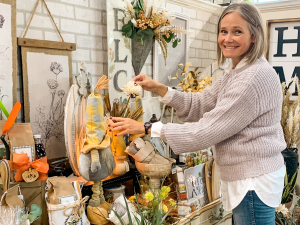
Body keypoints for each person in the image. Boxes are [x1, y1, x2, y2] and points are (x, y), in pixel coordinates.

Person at [109, 3, 286, 224]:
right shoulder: (238, 71)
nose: (227, 38)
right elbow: (203, 103)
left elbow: (206, 131)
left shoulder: (252, 78)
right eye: (224, 31)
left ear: (254, 36)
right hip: (250, 177)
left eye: (237, 31)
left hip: (253, 181)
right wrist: (161, 89)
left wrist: (148, 128)